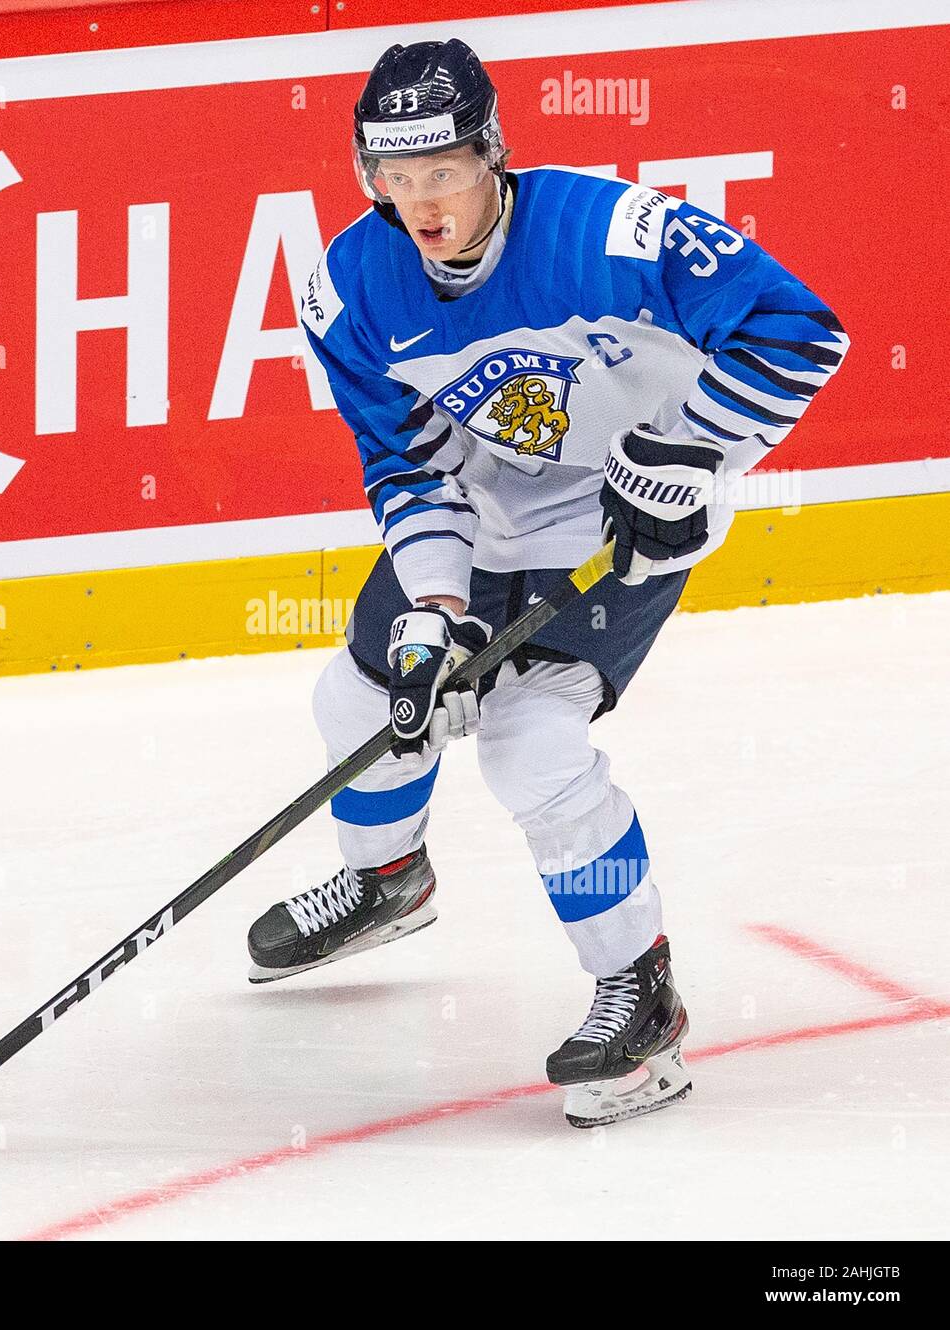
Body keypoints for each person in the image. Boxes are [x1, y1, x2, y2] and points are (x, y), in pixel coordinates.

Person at [246, 39, 848, 1126]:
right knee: (362, 699)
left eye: (442, 173)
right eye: (394, 176)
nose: (420, 203)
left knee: (531, 743)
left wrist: (687, 454)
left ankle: (641, 994)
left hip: (626, 506)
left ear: (491, 156)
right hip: (485, 511)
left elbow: (801, 327)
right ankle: (388, 881)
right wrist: (435, 607)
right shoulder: (346, 286)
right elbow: (405, 463)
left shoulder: (606, 232)